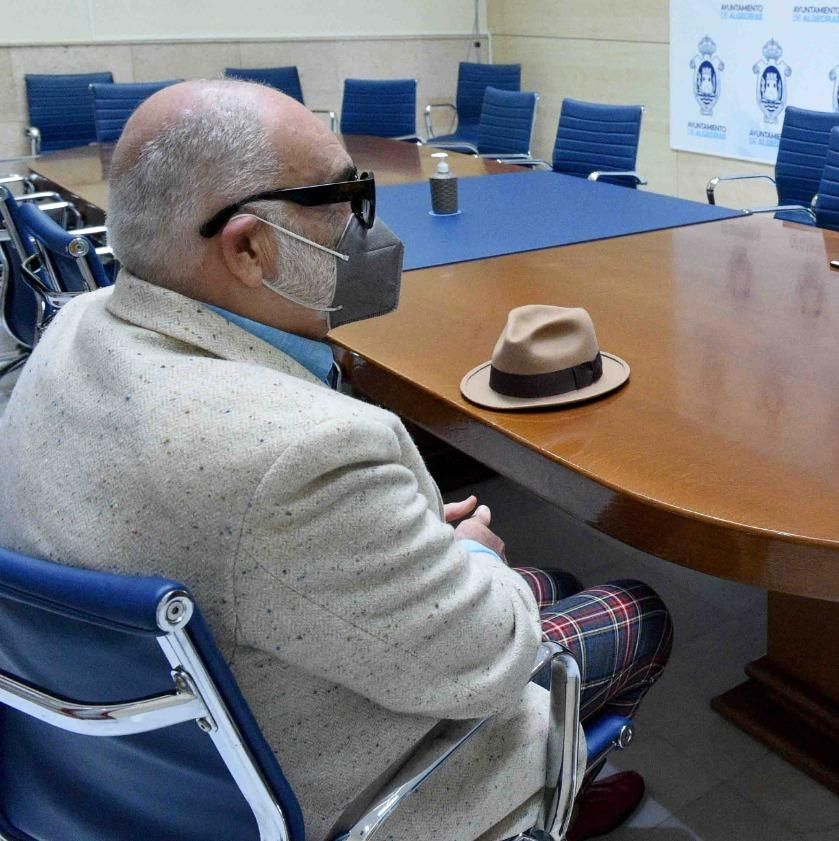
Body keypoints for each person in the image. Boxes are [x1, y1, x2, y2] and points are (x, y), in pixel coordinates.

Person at [0, 80, 672, 841]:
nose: (365, 224)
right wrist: (471, 557)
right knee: (632, 610)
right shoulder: (297, 454)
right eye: (347, 196)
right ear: (249, 247)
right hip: (335, 788)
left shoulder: (73, 325)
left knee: (554, 584)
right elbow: (492, 651)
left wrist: (402, 538)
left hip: (117, 771)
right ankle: (553, 800)